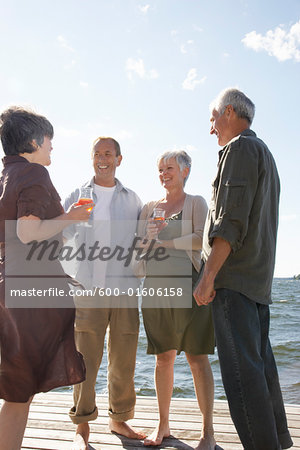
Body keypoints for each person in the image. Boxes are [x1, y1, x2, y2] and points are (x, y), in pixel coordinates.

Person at [193, 88, 293, 450]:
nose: (211, 128)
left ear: (229, 112)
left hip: (232, 281)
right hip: (255, 281)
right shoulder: (265, 152)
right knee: (260, 369)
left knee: (240, 376)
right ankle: (278, 443)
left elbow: (230, 220)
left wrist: (207, 276)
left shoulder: (238, 149)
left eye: (213, 118)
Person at [0, 107, 91, 450]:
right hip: (30, 296)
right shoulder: (35, 174)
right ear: (35, 141)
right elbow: (28, 232)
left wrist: (64, 227)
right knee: (19, 392)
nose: (52, 146)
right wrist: (71, 217)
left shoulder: (6, 177)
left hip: (11, 287)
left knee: (16, 390)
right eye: (50, 139)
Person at [63, 137, 145, 450]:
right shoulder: (77, 194)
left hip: (124, 291)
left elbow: (142, 243)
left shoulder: (132, 199)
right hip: (87, 291)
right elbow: (60, 233)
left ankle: (119, 418)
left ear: (119, 159)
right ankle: (81, 426)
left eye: (108, 153)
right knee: (84, 360)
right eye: (97, 153)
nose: (102, 159)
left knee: (123, 360)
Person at [137, 150, 216, 450]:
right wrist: (147, 236)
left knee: (197, 358)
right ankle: (163, 423)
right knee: (163, 358)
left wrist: (166, 240)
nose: (164, 174)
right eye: (160, 169)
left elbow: (201, 238)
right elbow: (139, 249)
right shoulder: (149, 208)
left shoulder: (196, 202)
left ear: (185, 171)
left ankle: (208, 432)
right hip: (157, 288)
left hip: (190, 287)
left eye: (169, 168)